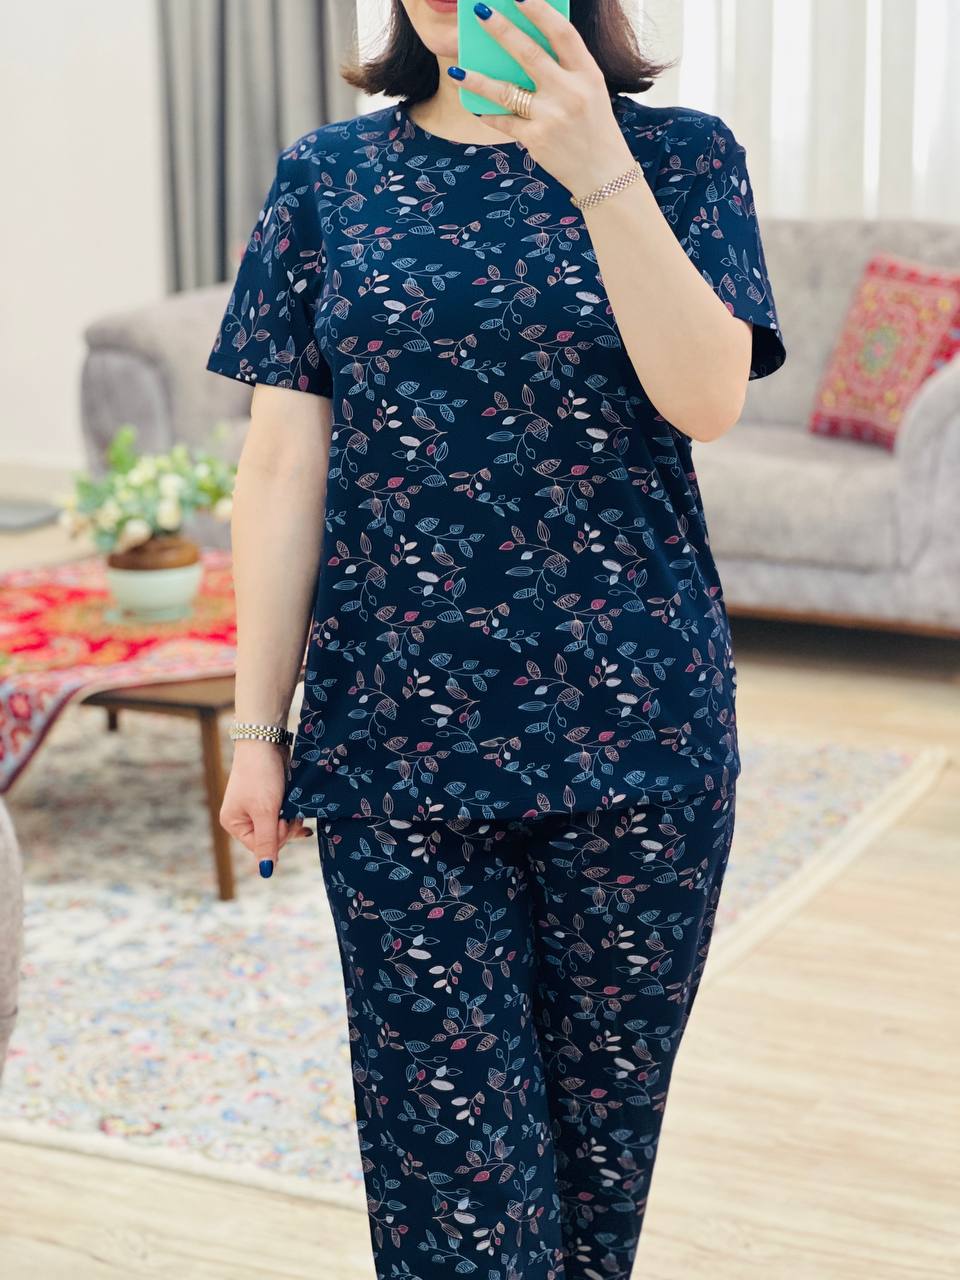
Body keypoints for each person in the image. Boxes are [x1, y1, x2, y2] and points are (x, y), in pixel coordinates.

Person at [205, 2, 787, 1277]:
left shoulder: (685, 158)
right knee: (454, 1204)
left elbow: (706, 398)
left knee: (594, 1190)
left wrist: (598, 169)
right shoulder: (327, 177)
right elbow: (283, 464)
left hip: (641, 747)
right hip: (394, 750)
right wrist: (257, 727)